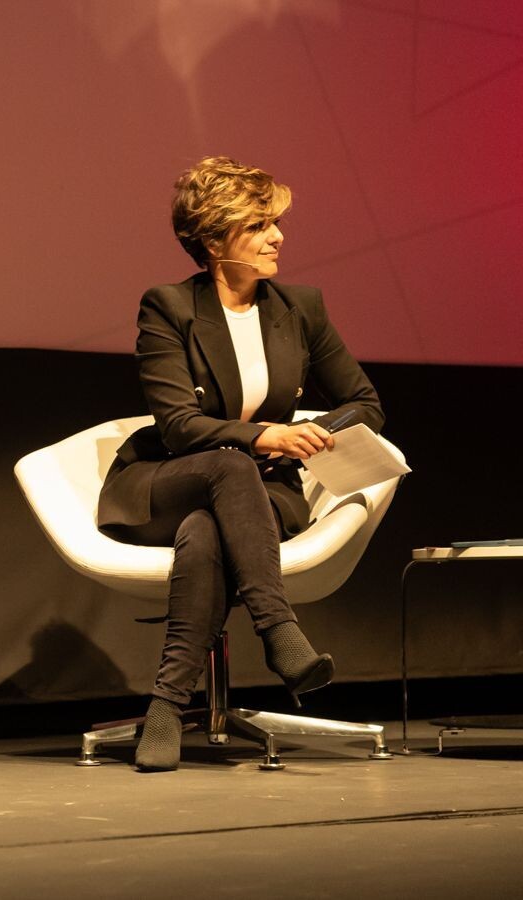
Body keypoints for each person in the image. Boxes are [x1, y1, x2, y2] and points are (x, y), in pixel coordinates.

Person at [97, 156, 385, 772]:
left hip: (262, 495)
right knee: (228, 464)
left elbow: (364, 404)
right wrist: (267, 437)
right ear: (211, 239)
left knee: (204, 535)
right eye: (259, 225)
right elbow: (178, 425)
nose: (278, 236)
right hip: (169, 480)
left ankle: (167, 707)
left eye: (275, 222)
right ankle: (278, 629)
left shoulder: (300, 308)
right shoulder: (169, 307)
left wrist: (311, 434)